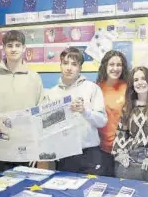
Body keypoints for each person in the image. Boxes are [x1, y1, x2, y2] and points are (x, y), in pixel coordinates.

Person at [0, 30, 44, 175]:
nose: (13, 49)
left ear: (24, 48)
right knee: (1, 190)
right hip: (1, 144)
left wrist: (37, 147)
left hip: (27, 146)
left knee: (27, 191)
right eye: (9, 45)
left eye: (17, 45)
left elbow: (40, 113)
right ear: (3, 48)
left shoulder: (34, 78)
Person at [46, 47, 108, 175]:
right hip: (64, 154)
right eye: (65, 63)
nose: (69, 68)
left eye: (74, 64)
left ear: (80, 67)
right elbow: (47, 126)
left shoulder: (92, 88)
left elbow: (102, 121)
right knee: (66, 192)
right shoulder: (51, 94)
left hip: (89, 153)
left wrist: (84, 111)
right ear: (60, 65)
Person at [96, 50, 129, 177]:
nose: (115, 68)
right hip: (101, 149)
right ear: (105, 66)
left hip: (124, 150)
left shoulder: (129, 87)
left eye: (119, 65)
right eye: (111, 64)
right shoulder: (96, 88)